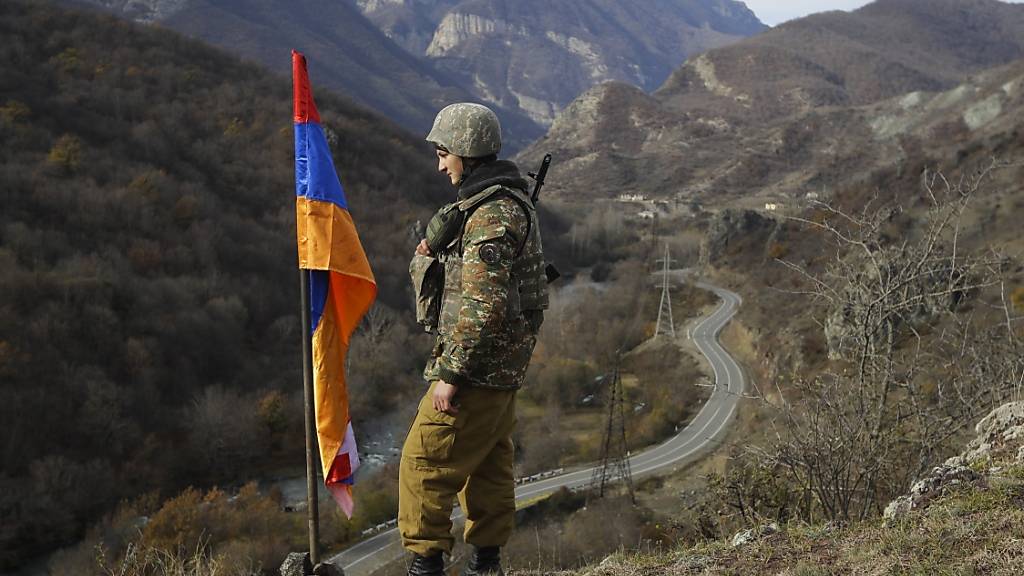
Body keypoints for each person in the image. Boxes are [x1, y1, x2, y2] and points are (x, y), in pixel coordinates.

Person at [399, 102, 549, 576]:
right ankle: (487, 565)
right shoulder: (498, 204)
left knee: (422, 464)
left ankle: (426, 567)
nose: (440, 164)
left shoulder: (491, 216)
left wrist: (451, 373)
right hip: (499, 369)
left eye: (444, 153)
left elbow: (483, 307)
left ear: (465, 152)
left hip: (477, 369)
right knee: (487, 464)